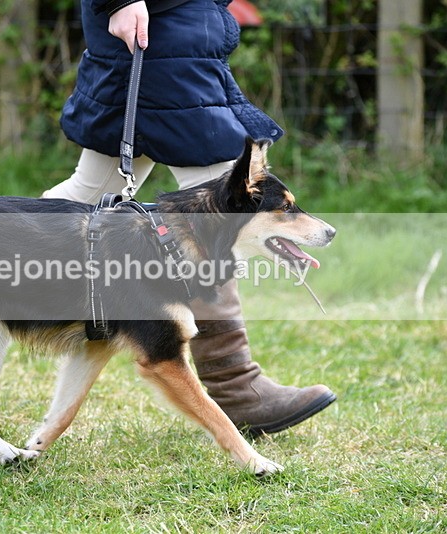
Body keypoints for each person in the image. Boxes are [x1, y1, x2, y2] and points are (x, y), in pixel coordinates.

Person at [43, 0, 336, 435]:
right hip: (155, 32)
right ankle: (235, 385)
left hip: (175, 37)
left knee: (89, 192)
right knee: (225, 200)